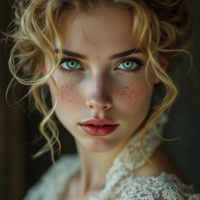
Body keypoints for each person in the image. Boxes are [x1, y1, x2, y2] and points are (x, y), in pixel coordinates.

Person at [5, 0, 200, 199]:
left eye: (127, 64)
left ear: (159, 68)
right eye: (71, 64)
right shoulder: (62, 177)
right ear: (42, 67)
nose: (98, 100)